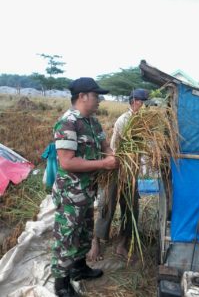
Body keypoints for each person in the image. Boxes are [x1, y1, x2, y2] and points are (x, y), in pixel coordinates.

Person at [51, 77, 119, 297]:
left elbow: (104, 144)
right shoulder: (68, 123)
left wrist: (111, 155)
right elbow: (67, 162)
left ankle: (79, 268)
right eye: (96, 95)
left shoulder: (93, 121)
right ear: (82, 96)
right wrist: (103, 164)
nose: (99, 100)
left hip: (88, 191)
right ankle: (61, 284)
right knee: (67, 236)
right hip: (70, 194)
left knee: (85, 231)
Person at [87, 88, 149, 262]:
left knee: (131, 208)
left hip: (132, 172)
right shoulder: (125, 120)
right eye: (143, 102)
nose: (145, 106)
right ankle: (96, 241)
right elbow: (114, 149)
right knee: (107, 204)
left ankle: (122, 242)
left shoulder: (144, 121)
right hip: (116, 169)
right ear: (135, 101)